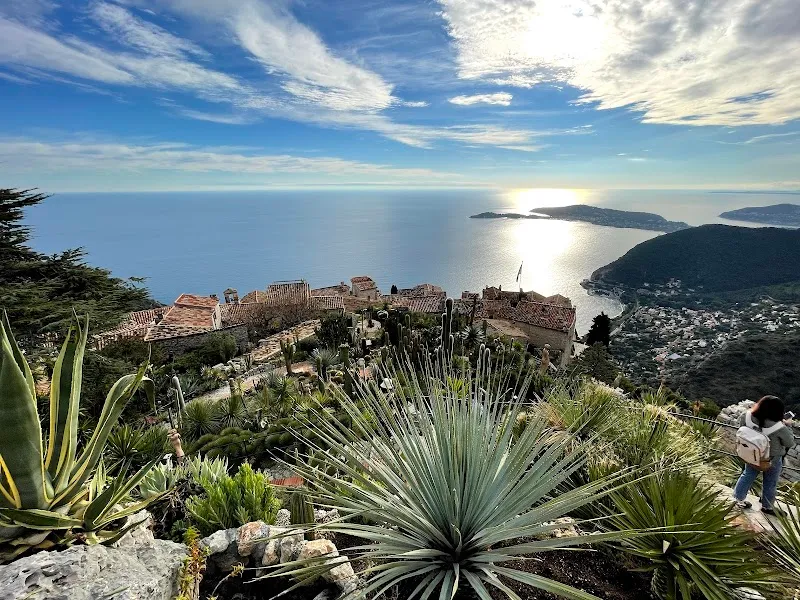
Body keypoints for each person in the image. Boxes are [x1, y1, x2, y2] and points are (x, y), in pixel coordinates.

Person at [733, 395, 796, 514]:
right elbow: (789, 442)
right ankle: (767, 506)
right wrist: (788, 426)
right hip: (771, 459)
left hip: (752, 454)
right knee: (770, 482)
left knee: (747, 475)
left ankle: (738, 499)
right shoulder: (779, 427)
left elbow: (742, 428)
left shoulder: (746, 416)